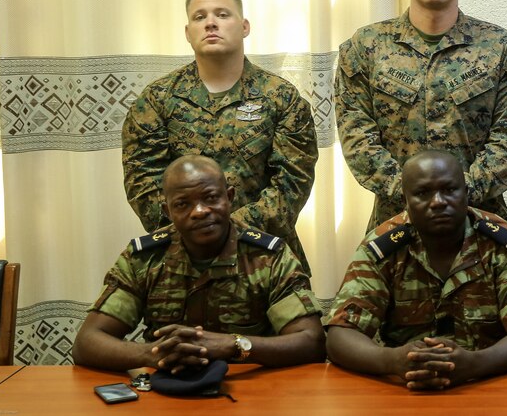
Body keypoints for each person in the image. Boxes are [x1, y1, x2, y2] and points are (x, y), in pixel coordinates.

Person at [334, 0, 507, 231]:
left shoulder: (500, 49)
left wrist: (458, 196)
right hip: (396, 225)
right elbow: (358, 139)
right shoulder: (365, 48)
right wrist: (413, 195)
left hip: (479, 227)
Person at [122, 0, 318, 273]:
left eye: (222, 14)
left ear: (244, 26)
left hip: (266, 258)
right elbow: (143, 182)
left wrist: (229, 232)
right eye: (199, 17)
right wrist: (197, 229)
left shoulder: (281, 97)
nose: (210, 22)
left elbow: (292, 183)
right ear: (188, 33)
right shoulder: (157, 99)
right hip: (184, 262)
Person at [325, 150, 507, 390]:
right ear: (405, 200)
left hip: (491, 381)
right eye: (423, 193)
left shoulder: (502, 243)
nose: (437, 202)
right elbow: (340, 336)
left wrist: (475, 364)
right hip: (407, 386)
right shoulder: (382, 248)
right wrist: (393, 361)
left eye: (449, 190)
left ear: (466, 194)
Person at [73, 155, 325, 373]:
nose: (200, 211)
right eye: (183, 204)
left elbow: (311, 341)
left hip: (251, 388)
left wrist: (233, 345)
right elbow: (87, 342)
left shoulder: (269, 257)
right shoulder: (144, 258)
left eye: (210, 197)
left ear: (229, 198)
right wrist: (153, 353)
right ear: (168, 211)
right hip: (168, 385)